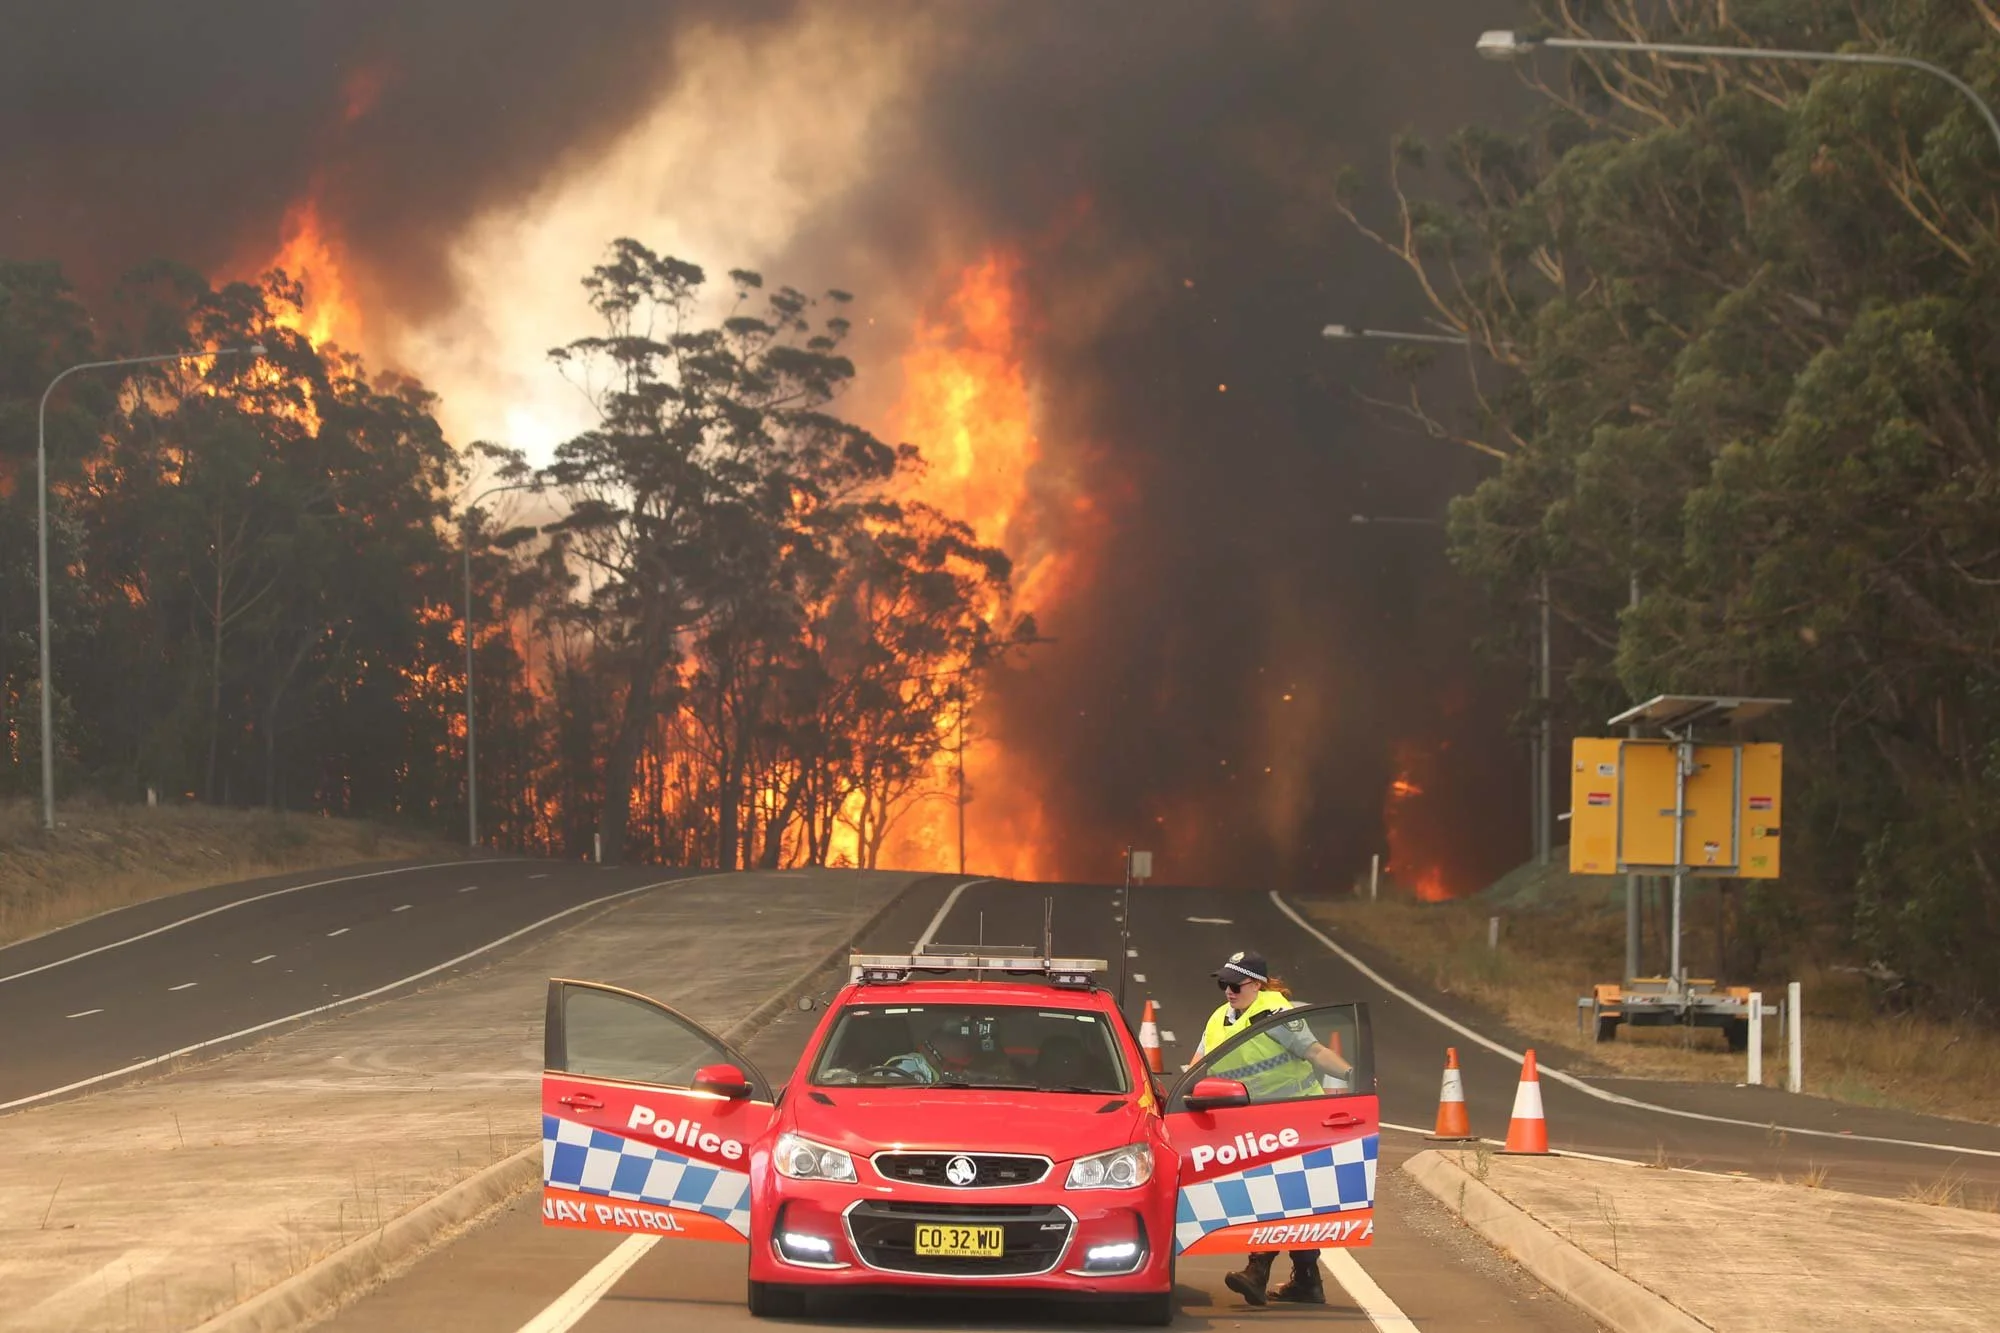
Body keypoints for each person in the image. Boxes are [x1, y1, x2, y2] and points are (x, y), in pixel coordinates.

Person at [1191, 949, 1352, 1307]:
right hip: (1248, 1122)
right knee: (1294, 1201)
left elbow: (1316, 1052)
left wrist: (1352, 1077)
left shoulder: (1278, 1015)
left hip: (1297, 1118)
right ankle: (1307, 1281)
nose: (1228, 991)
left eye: (1235, 985)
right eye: (1223, 984)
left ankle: (1257, 1270)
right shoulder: (1220, 1017)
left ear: (1257, 985)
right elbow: (1198, 1065)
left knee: (1279, 1196)